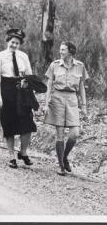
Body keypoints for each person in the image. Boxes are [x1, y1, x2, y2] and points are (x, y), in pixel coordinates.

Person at [0, 28, 36, 169]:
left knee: (27, 123)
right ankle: (11, 156)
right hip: (6, 90)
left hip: (22, 91)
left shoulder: (23, 56)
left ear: (20, 44)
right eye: (12, 42)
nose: (14, 45)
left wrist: (27, 82)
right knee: (8, 123)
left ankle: (23, 152)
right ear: (8, 41)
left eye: (17, 43)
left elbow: (29, 75)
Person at [44, 41, 89, 176]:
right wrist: (46, 104)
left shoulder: (80, 66)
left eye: (63, 50)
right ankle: (61, 166)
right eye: (60, 49)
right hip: (57, 98)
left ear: (70, 51)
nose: (61, 52)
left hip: (72, 100)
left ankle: (64, 156)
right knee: (60, 134)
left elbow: (81, 87)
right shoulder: (54, 65)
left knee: (75, 133)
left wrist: (84, 106)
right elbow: (49, 85)